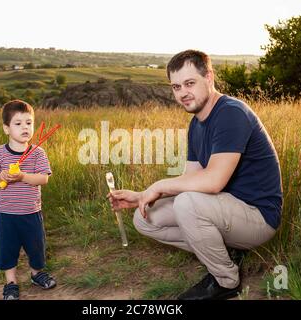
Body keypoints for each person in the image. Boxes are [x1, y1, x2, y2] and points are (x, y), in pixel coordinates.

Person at [108, 50, 282, 300]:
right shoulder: (196, 124)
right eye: (176, 86)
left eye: (190, 83)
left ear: (209, 77)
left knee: (187, 204)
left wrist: (158, 185)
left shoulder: (231, 113)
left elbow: (213, 181)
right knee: (144, 218)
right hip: (225, 209)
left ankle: (226, 281)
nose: (182, 93)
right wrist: (140, 196)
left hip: (258, 217)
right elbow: (190, 180)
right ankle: (224, 253)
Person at [0, 99, 56, 300]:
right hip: (7, 214)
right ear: (6, 128)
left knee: (36, 246)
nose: (25, 127)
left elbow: (44, 178)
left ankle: (36, 274)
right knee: (7, 249)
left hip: (32, 213)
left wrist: (23, 176)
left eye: (29, 122)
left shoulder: (37, 153)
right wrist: (1, 177)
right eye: (18, 123)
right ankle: (11, 282)